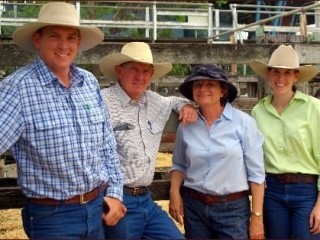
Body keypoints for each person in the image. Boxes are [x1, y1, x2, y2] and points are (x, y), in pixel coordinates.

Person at [0, 2, 126, 239]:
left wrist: (115, 193)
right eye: (54, 36)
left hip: (97, 207)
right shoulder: (18, 88)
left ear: (78, 43)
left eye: (71, 37)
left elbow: (107, 143)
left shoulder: (88, 82)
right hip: (52, 217)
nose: (64, 45)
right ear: (38, 40)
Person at [99, 41, 197, 239]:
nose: (140, 76)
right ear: (119, 70)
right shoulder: (102, 101)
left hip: (146, 199)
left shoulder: (153, 101)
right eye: (134, 69)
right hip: (118, 198)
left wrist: (187, 106)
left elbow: (175, 101)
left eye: (146, 71)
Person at [169, 64, 265, 239]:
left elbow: (257, 175)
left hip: (233, 209)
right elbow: (179, 164)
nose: (203, 89)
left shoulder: (244, 123)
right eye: (198, 85)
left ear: (223, 91)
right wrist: (174, 192)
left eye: (210, 84)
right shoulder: (187, 125)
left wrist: (257, 217)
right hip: (194, 206)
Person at [250, 44, 320, 239]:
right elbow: (255, 156)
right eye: (276, 72)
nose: (281, 79)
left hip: (306, 189)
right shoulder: (258, 111)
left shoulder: (313, 108)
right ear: (269, 75)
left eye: (287, 73)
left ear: (296, 76)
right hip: (271, 190)